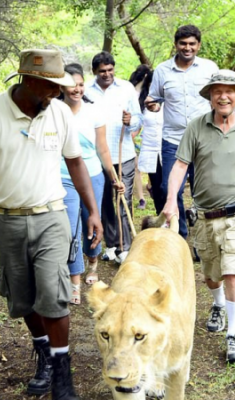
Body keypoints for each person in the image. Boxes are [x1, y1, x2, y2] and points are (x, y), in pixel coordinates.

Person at [0, 49, 103, 400]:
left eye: (59, 88)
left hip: (51, 215)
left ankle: (63, 375)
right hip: (5, 220)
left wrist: (93, 210)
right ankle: (45, 356)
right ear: (30, 81)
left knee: (54, 296)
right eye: (50, 88)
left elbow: (76, 163)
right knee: (23, 298)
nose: (57, 94)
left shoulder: (59, 113)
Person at [162, 70, 235, 363]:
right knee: (212, 275)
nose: (223, 96)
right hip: (204, 215)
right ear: (210, 96)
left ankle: (234, 335)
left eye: (230, 91)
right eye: (217, 91)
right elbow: (179, 166)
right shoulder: (196, 127)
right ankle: (217, 305)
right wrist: (171, 201)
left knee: (232, 272)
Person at [59, 63, 125, 305]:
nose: (76, 89)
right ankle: (74, 281)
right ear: (61, 87)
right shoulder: (55, 110)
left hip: (93, 175)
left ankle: (93, 261)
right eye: (71, 85)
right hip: (63, 177)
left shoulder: (94, 111)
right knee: (70, 229)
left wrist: (113, 178)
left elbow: (102, 148)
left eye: (80, 84)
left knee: (91, 222)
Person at [146, 24, 219, 238]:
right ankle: (180, 236)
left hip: (205, 138)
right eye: (183, 43)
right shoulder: (162, 70)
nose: (187, 48)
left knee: (204, 191)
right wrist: (153, 105)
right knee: (170, 189)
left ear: (198, 45)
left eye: (192, 44)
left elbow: (219, 99)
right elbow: (156, 99)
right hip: (173, 140)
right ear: (176, 44)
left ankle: (203, 239)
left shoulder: (209, 68)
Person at [85, 51, 143, 264]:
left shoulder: (126, 88)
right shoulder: (87, 91)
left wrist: (131, 121)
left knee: (122, 199)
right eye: (102, 71)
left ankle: (125, 247)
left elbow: (138, 117)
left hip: (123, 153)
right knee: (103, 201)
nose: (107, 74)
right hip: (96, 155)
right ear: (95, 72)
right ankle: (111, 245)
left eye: (110, 70)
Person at [129, 64, 164, 215]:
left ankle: (174, 219)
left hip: (168, 149)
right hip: (150, 150)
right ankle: (160, 216)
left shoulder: (170, 101)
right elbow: (137, 124)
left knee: (168, 187)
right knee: (156, 187)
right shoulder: (142, 102)